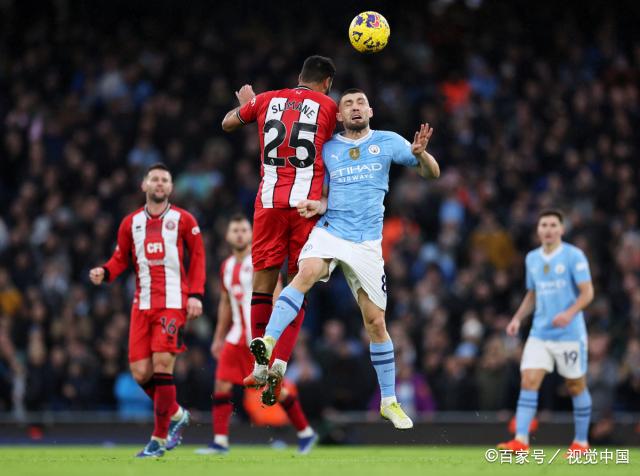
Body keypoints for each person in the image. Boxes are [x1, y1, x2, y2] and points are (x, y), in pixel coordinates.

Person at [250, 88, 440, 429]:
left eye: (360, 103)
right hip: (331, 231)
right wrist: (317, 206)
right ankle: (268, 341)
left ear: (371, 110)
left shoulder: (389, 141)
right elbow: (323, 195)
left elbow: (432, 174)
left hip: (367, 243)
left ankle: (389, 402)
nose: (355, 108)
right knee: (305, 272)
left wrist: (422, 155)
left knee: (375, 323)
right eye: (348, 104)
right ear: (338, 116)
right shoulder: (326, 149)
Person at [221, 55, 338, 389]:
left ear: (299, 76)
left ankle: (259, 367)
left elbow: (227, 123)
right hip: (306, 208)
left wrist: (247, 107)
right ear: (326, 82)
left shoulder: (267, 99)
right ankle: (282, 360)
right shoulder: (327, 106)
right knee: (298, 284)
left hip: (269, 204)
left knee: (261, 286)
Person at [89, 163, 206, 458]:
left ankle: (157, 439)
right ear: (144, 185)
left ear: (170, 187)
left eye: (164, 180)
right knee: (140, 372)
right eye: (154, 179)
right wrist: (105, 271)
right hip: (141, 305)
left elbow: (199, 257)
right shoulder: (130, 223)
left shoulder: (183, 219)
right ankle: (177, 413)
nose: (159, 183)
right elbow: (119, 259)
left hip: (173, 303)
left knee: (162, 366)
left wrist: (195, 295)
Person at [196, 215, 317, 455]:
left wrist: (277, 331)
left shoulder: (262, 262)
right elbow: (225, 303)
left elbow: (279, 296)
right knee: (221, 384)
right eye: (235, 230)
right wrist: (219, 337)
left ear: (251, 234)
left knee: (274, 387)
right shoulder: (226, 267)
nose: (239, 234)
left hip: (260, 340)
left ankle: (306, 432)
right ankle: (220, 442)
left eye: (243, 230)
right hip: (236, 337)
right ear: (228, 236)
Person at [497, 209, 594, 455]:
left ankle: (581, 443)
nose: (548, 229)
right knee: (528, 381)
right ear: (538, 230)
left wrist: (569, 313)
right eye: (544, 225)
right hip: (540, 333)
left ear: (562, 229)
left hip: (569, 335)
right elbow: (533, 293)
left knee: (575, 385)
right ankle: (520, 441)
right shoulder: (532, 258)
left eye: (553, 225)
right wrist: (517, 318)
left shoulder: (573, 256)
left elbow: (587, 293)